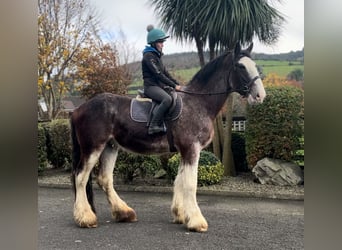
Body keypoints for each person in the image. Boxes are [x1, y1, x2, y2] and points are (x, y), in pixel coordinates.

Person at [142, 25, 181, 135]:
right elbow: (158, 74)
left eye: (162, 42)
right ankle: (153, 126)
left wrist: (177, 84)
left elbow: (166, 73)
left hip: (158, 86)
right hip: (150, 87)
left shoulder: (157, 56)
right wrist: (173, 85)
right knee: (167, 99)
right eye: (160, 42)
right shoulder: (148, 56)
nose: (162, 45)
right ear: (153, 43)